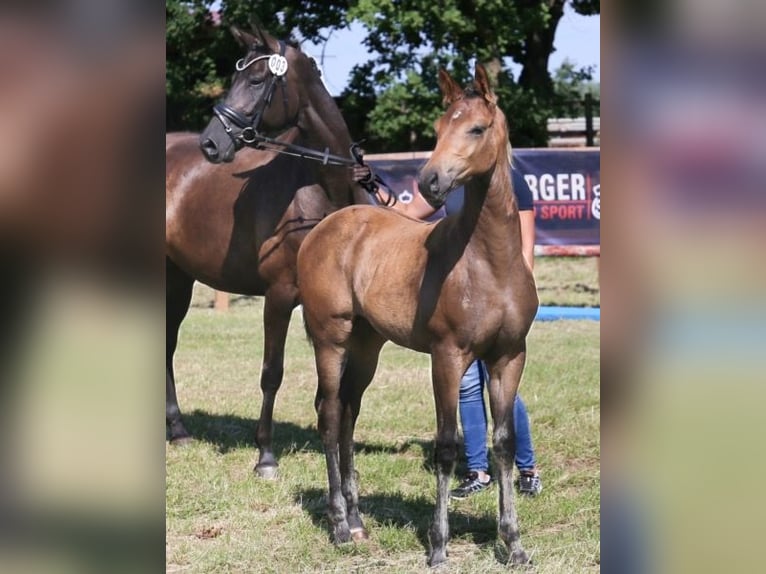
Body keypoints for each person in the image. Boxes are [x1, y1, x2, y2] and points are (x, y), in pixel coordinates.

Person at [352, 163, 543, 499]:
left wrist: (516, 301)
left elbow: (525, 250)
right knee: (467, 384)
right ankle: (478, 471)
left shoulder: (511, 181)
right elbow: (410, 214)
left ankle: (527, 468)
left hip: (499, 299)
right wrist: (376, 188)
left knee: (502, 389)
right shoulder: (449, 183)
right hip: (463, 296)